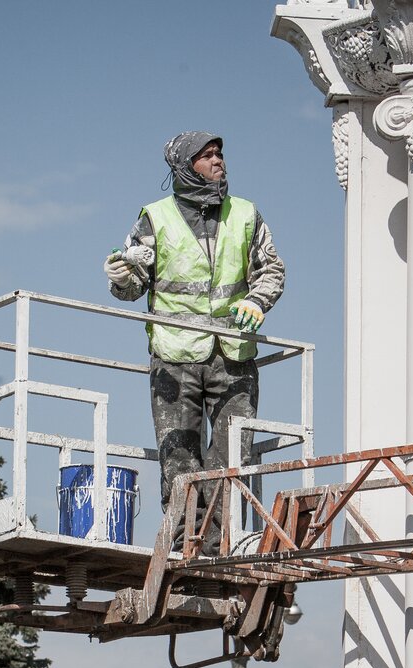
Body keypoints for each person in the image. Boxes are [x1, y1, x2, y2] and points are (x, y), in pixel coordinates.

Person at [105, 131, 285, 551]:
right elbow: (134, 283)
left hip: (233, 356)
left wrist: (258, 301)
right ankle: (186, 543)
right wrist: (121, 279)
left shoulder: (245, 214)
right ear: (185, 167)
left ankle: (219, 545)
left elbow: (271, 269)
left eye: (219, 153)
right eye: (207, 156)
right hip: (174, 357)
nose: (218, 161)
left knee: (229, 457)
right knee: (179, 457)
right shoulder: (155, 217)